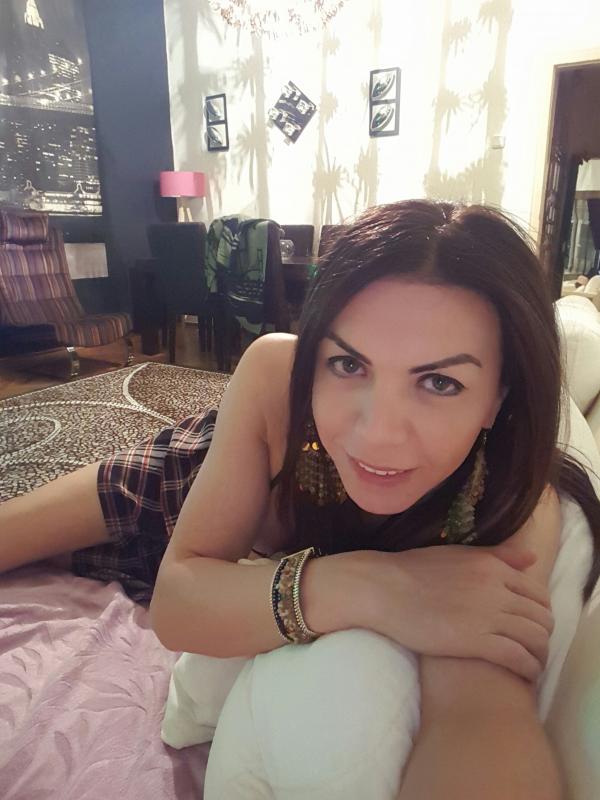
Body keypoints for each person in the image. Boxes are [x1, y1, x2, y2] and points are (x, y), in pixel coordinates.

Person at [2, 199, 600, 798]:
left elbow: (482, 717)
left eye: (440, 382)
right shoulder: (275, 373)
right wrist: (375, 586)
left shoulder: (514, 503)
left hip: (233, 571)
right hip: (183, 477)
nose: (378, 434)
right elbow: (178, 604)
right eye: (347, 364)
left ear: (499, 396)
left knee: (68, 567)